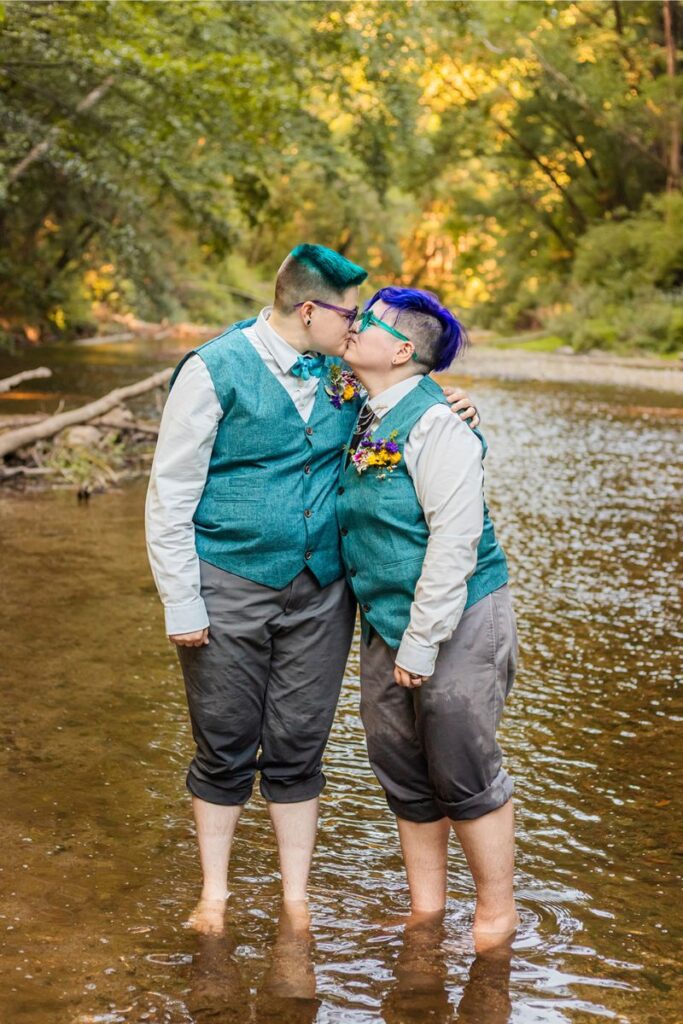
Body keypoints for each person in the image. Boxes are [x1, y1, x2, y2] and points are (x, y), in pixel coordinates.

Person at [145, 245, 478, 934]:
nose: (356, 327)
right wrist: (181, 599)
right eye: (349, 315)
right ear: (309, 310)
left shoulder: (343, 372)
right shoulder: (212, 369)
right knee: (224, 739)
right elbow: (170, 492)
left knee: (300, 741)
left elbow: (404, 410)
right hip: (229, 579)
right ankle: (215, 894)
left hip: (324, 590)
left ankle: (294, 899)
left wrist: (449, 401)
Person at [338, 287, 519, 950]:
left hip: (458, 612)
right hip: (389, 616)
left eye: (369, 323)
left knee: (459, 758)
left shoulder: (438, 422)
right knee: (398, 760)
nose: (353, 328)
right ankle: (426, 912)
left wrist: (420, 642)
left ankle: (496, 913)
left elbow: (454, 543)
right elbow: (291, 337)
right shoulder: (355, 407)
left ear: (403, 350)